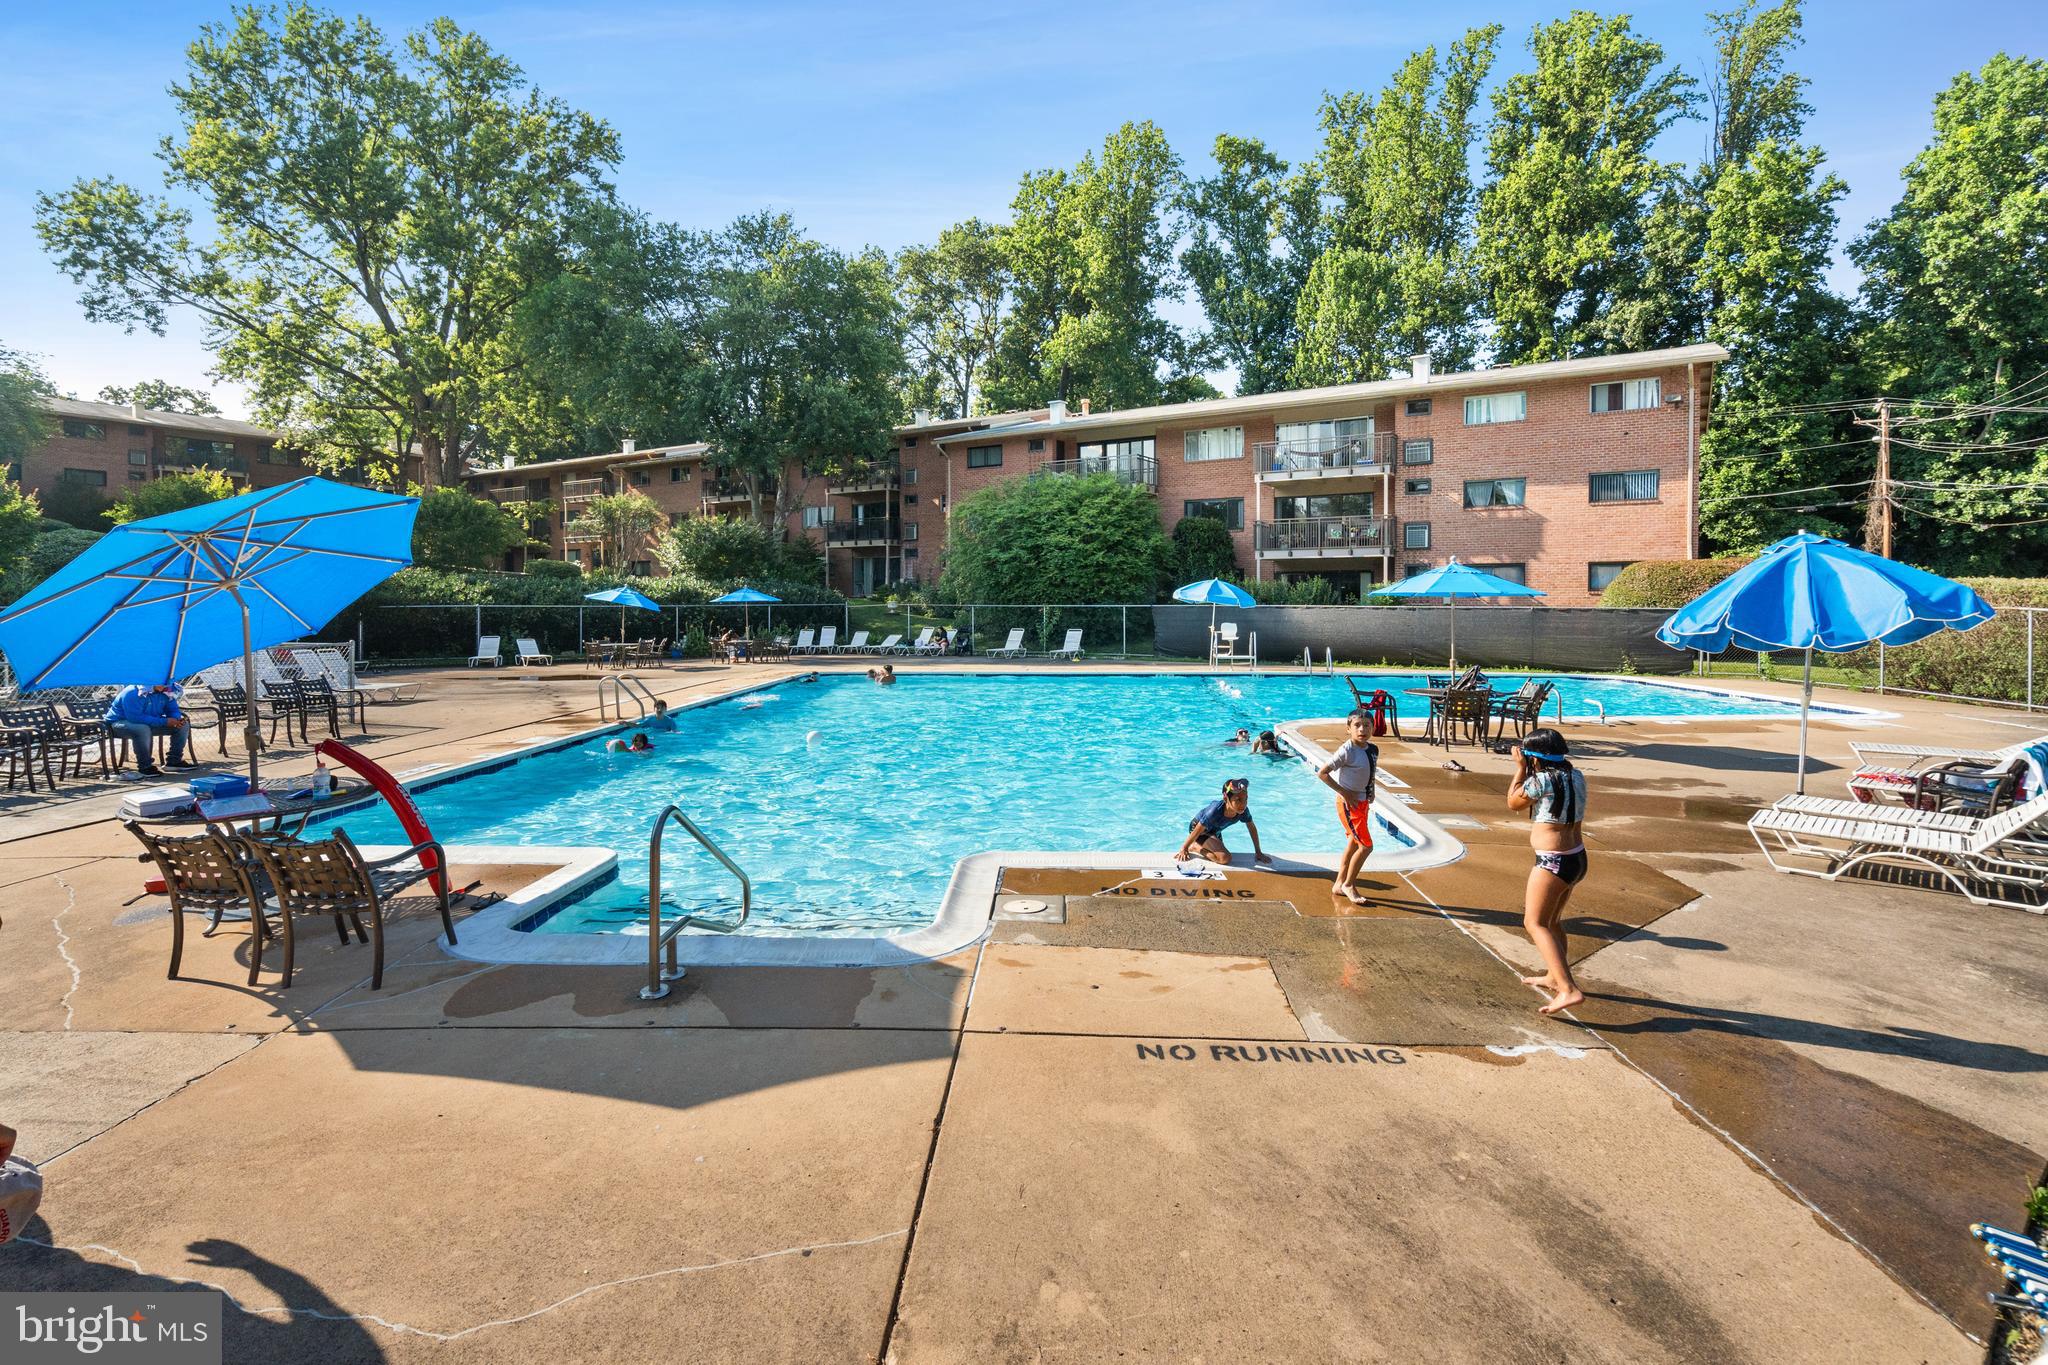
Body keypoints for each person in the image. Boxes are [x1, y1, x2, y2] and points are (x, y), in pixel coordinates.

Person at [1507, 727, 1588, 1016]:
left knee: (1534, 923)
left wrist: (1520, 770)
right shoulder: (1575, 775)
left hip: (1552, 862)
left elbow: (1513, 802)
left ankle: (1568, 989)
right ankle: (1556, 977)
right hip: (1577, 858)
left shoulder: (1540, 780)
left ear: (1534, 758)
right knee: (1552, 921)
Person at [1317, 708, 1379, 905]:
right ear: (1348, 729)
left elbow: (1372, 771)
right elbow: (1323, 773)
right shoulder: (1347, 750)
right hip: (1348, 804)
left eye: (1367, 725)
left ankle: (1338, 884)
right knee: (1366, 846)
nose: (1362, 729)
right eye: (1357, 726)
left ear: (1373, 727)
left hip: (1362, 802)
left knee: (1354, 842)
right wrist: (1344, 792)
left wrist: (1372, 789)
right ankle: (1349, 884)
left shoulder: (1372, 749)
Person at [1177, 777, 1271, 868]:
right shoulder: (1214, 811)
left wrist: (1258, 852)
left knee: (1220, 854)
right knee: (1225, 858)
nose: (1243, 804)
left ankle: (1200, 845)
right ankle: (1195, 847)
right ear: (1226, 798)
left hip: (1214, 832)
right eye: (1238, 800)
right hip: (1200, 831)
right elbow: (1197, 829)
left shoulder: (1243, 811)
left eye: (1246, 799)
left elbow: (1252, 828)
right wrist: (1184, 848)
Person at [105, 682, 193, 775]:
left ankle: (174, 762)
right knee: (142, 729)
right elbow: (135, 717)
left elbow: (173, 709)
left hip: (149, 723)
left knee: (183, 726)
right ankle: (145, 767)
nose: (165, 685)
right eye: (162, 682)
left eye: (166, 682)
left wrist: (176, 719)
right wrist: (165, 721)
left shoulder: (167, 691)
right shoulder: (133, 692)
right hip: (119, 724)